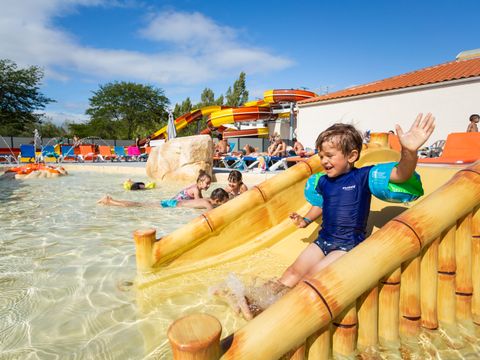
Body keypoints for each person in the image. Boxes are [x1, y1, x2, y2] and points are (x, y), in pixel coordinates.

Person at [220, 113, 435, 320]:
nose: (324, 160)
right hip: (323, 240)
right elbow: (323, 204)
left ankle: (268, 313)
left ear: (351, 156)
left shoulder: (363, 176)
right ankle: (250, 299)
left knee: (309, 278)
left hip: (346, 246)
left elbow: (401, 174)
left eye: (330, 155)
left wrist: (409, 151)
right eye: (321, 155)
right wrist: (305, 220)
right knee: (291, 273)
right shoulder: (323, 181)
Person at [97, 188, 229, 210]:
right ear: (218, 200)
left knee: (140, 204)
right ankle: (110, 201)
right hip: (171, 205)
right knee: (139, 205)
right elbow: (212, 214)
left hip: (172, 203)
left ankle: (110, 200)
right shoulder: (207, 203)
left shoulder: (206, 199)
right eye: (224, 202)